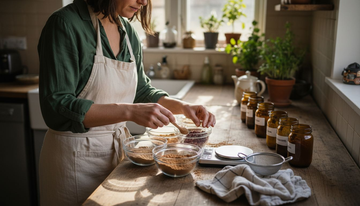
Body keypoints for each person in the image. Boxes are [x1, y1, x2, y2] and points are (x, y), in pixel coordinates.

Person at [37, 0, 216, 205]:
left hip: (118, 160)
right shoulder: (65, 24)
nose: (144, 2)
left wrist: (183, 107)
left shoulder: (128, 32)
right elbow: (56, 107)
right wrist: (128, 112)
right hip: (74, 162)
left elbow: (141, 91)